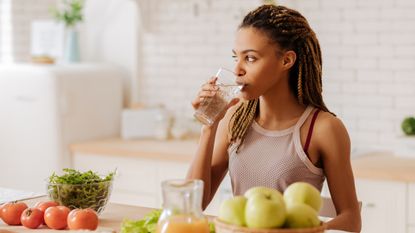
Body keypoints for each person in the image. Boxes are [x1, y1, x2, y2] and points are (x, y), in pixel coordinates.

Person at [187, 4, 361, 232]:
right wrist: (208, 125)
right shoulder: (234, 119)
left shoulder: (323, 129)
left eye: (250, 58)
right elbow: (192, 205)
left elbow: (351, 220)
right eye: (235, 57)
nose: (237, 69)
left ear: (286, 61)